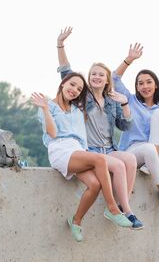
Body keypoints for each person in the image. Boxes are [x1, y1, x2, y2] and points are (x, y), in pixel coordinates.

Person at [55, 27, 143, 229]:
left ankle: (120, 206)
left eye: (100, 75)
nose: (96, 77)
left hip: (109, 148)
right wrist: (60, 44)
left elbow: (125, 126)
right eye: (93, 74)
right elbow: (66, 72)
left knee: (129, 159)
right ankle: (126, 212)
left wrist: (125, 104)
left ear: (106, 79)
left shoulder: (112, 100)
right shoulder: (82, 96)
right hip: (90, 150)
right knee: (120, 166)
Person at [31, 72, 132, 242]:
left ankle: (76, 221)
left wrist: (123, 102)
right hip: (61, 150)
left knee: (95, 184)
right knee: (99, 159)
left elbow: (102, 85)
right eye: (72, 85)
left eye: (79, 89)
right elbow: (53, 133)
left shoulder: (78, 109)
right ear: (63, 84)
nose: (75, 90)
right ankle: (113, 208)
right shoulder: (48, 106)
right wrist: (46, 109)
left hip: (78, 151)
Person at [112, 43, 159, 217]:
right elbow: (113, 79)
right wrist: (129, 60)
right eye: (140, 83)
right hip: (132, 152)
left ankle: (152, 162)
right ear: (137, 87)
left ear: (156, 85)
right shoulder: (130, 100)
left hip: (157, 152)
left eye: (149, 82)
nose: (145, 86)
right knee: (149, 148)